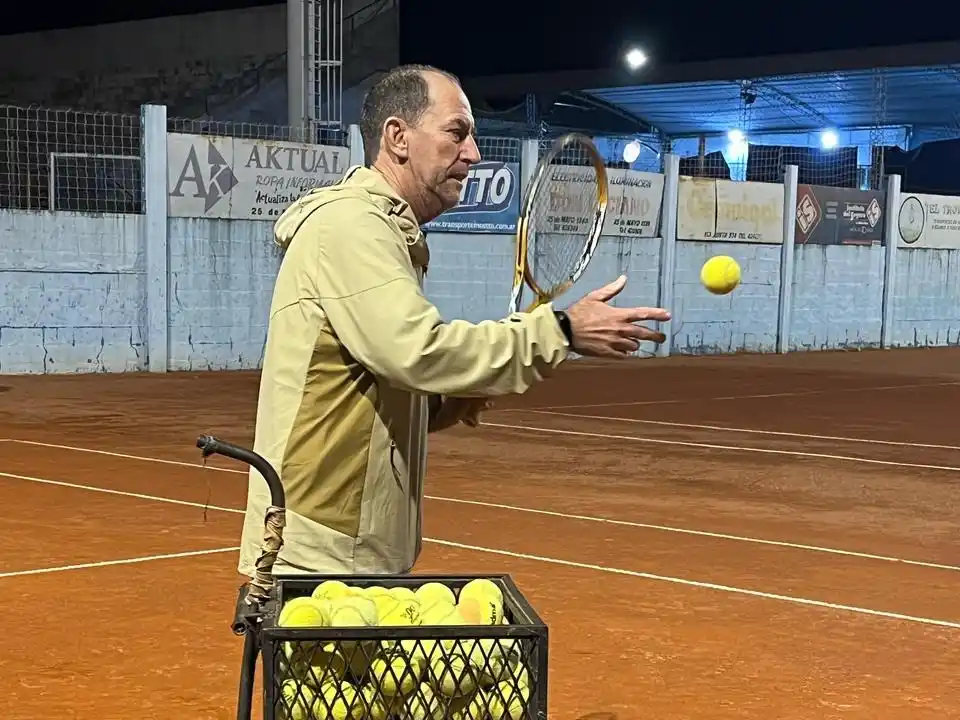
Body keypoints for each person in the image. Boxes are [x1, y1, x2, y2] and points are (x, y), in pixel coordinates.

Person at [238, 64, 671, 578]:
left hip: (345, 546)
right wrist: (561, 331)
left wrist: (450, 399)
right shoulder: (352, 226)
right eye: (457, 133)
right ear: (398, 137)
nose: (474, 154)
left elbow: (381, 385)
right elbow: (416, 352)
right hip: (322, 554)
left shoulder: (381, 230)